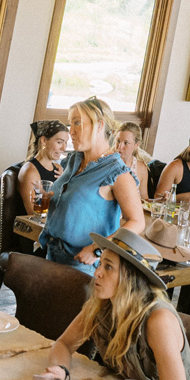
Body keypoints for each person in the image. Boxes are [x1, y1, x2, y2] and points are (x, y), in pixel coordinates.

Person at [40, 228, 190, 380]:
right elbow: (64, 343)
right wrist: (60, 372)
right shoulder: (101, 304)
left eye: (108, 267)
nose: (97, 273)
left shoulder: (158, 319)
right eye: (100, 263)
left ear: (131, 277)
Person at [39, 99, 144, 268]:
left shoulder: (117, 172)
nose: (70, 131)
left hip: (83, 266)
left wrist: (97, 249)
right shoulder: (73, 160)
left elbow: (137, 222)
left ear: (100, 126)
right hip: (52, 256)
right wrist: (49, 197)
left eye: (77, 123)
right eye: (70, 124)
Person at [16, 120, 70, 217]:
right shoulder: (29, 171)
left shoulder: (58, 168)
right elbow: (34, 213)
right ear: (44, 140)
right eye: (59, 142)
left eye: (65, 143)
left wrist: (64, 182)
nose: (63, 148)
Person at [115, 125, 150, 204]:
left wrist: (161, 201)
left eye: (126, 143)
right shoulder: (106, 163)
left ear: (136, 145)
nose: (120, 146)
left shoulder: (141, 167)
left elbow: (144, 200)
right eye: (118, 141)